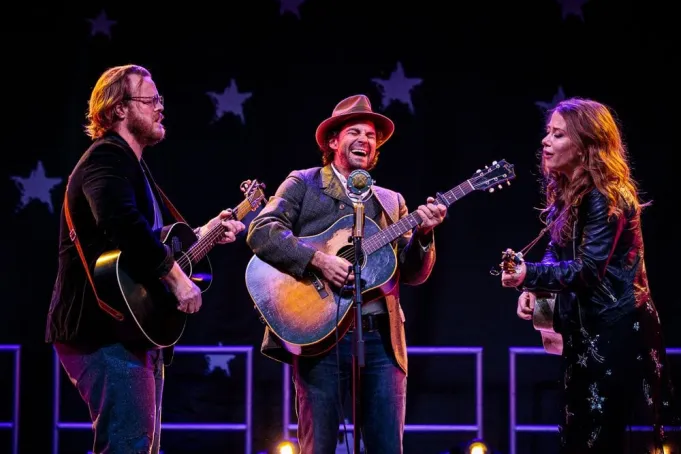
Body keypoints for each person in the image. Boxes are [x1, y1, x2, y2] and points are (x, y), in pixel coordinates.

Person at [45, 64, 246, 454]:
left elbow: (144, 242)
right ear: (119, 108)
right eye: (150, 99)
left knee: (139, 446)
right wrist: (175, 278)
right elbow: (121, 223)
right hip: (102, 329)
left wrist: (204, 234)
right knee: (128, 446)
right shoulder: (106, 157)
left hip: (128, 330)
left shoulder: (131, 165)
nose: (160, 108)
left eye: (160, 100)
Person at [246, 94, 447, 453]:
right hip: (318, 336)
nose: (365, 140)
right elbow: (262, 231)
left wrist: (425, 234)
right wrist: (318, 261)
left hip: (381, 340)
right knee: (319, 445)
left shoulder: (390, 200)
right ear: (333, 141)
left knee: (387, 446)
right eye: (354, 131)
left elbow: (413, 274)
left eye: (371, 135)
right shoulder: (304, 183)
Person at [501, 97, 678, 453]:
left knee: (602, 438)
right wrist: (536, 288)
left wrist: (527, 275)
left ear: (586, 146)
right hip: (587, 334)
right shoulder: (570, 192)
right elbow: (557, 248)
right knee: (579, 434)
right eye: (547, 133)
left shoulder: (604, 195)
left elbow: (588, 271)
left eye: (558, 135)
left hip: (615, 334)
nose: (545, 141)